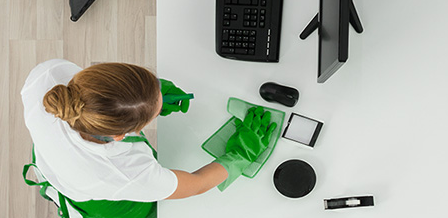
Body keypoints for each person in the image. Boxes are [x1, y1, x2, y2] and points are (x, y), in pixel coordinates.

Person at [20, 59, 275, 218]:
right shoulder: (125, 172)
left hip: (52, 157)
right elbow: (195, 184)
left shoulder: (49, 78)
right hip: (105, 204)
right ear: (119, 135)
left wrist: (145, 100)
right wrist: (240, 155)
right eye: (150, 118)